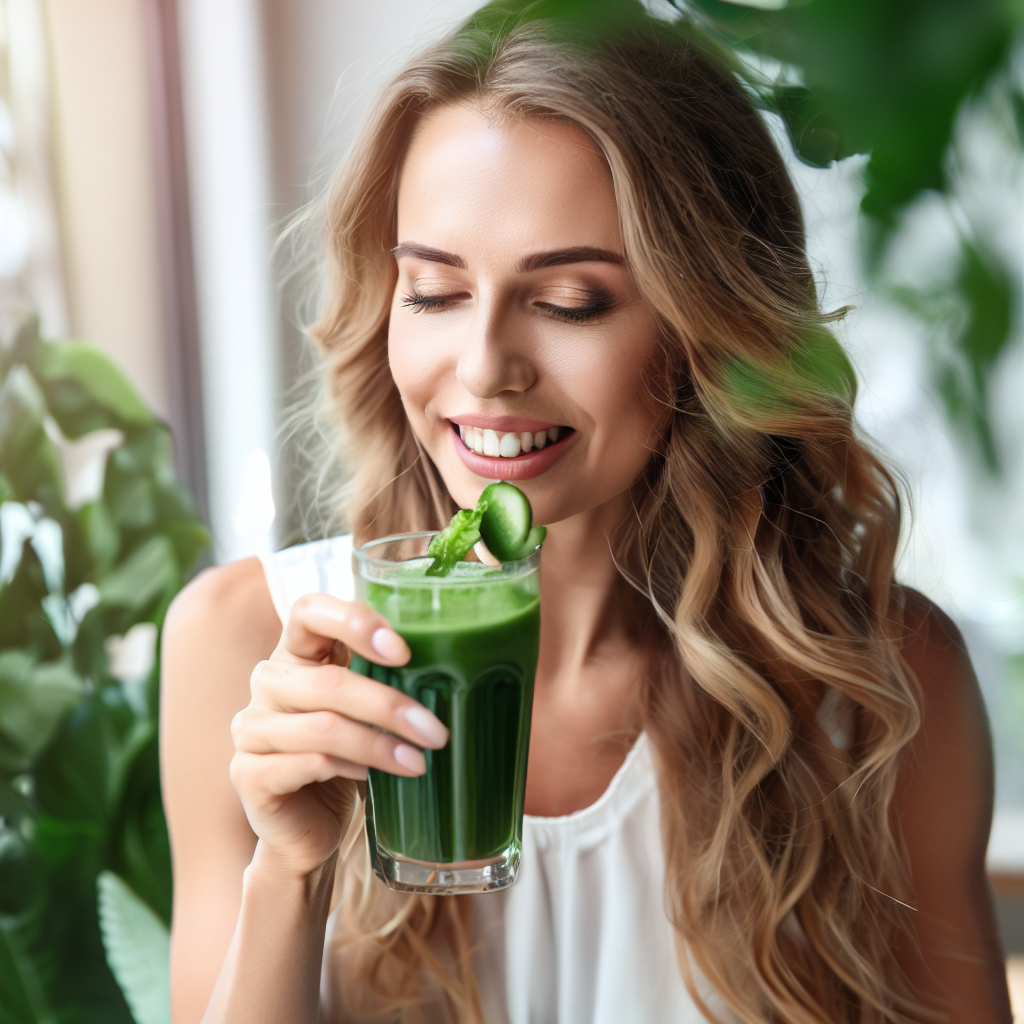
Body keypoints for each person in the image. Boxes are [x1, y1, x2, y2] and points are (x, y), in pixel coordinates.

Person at [160, 3, 1013, 1022]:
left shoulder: (878, 683)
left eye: (569, 301)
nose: (484, 369)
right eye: (432, 291)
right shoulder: (245, 648)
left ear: (709, 323)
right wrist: (289, 872)